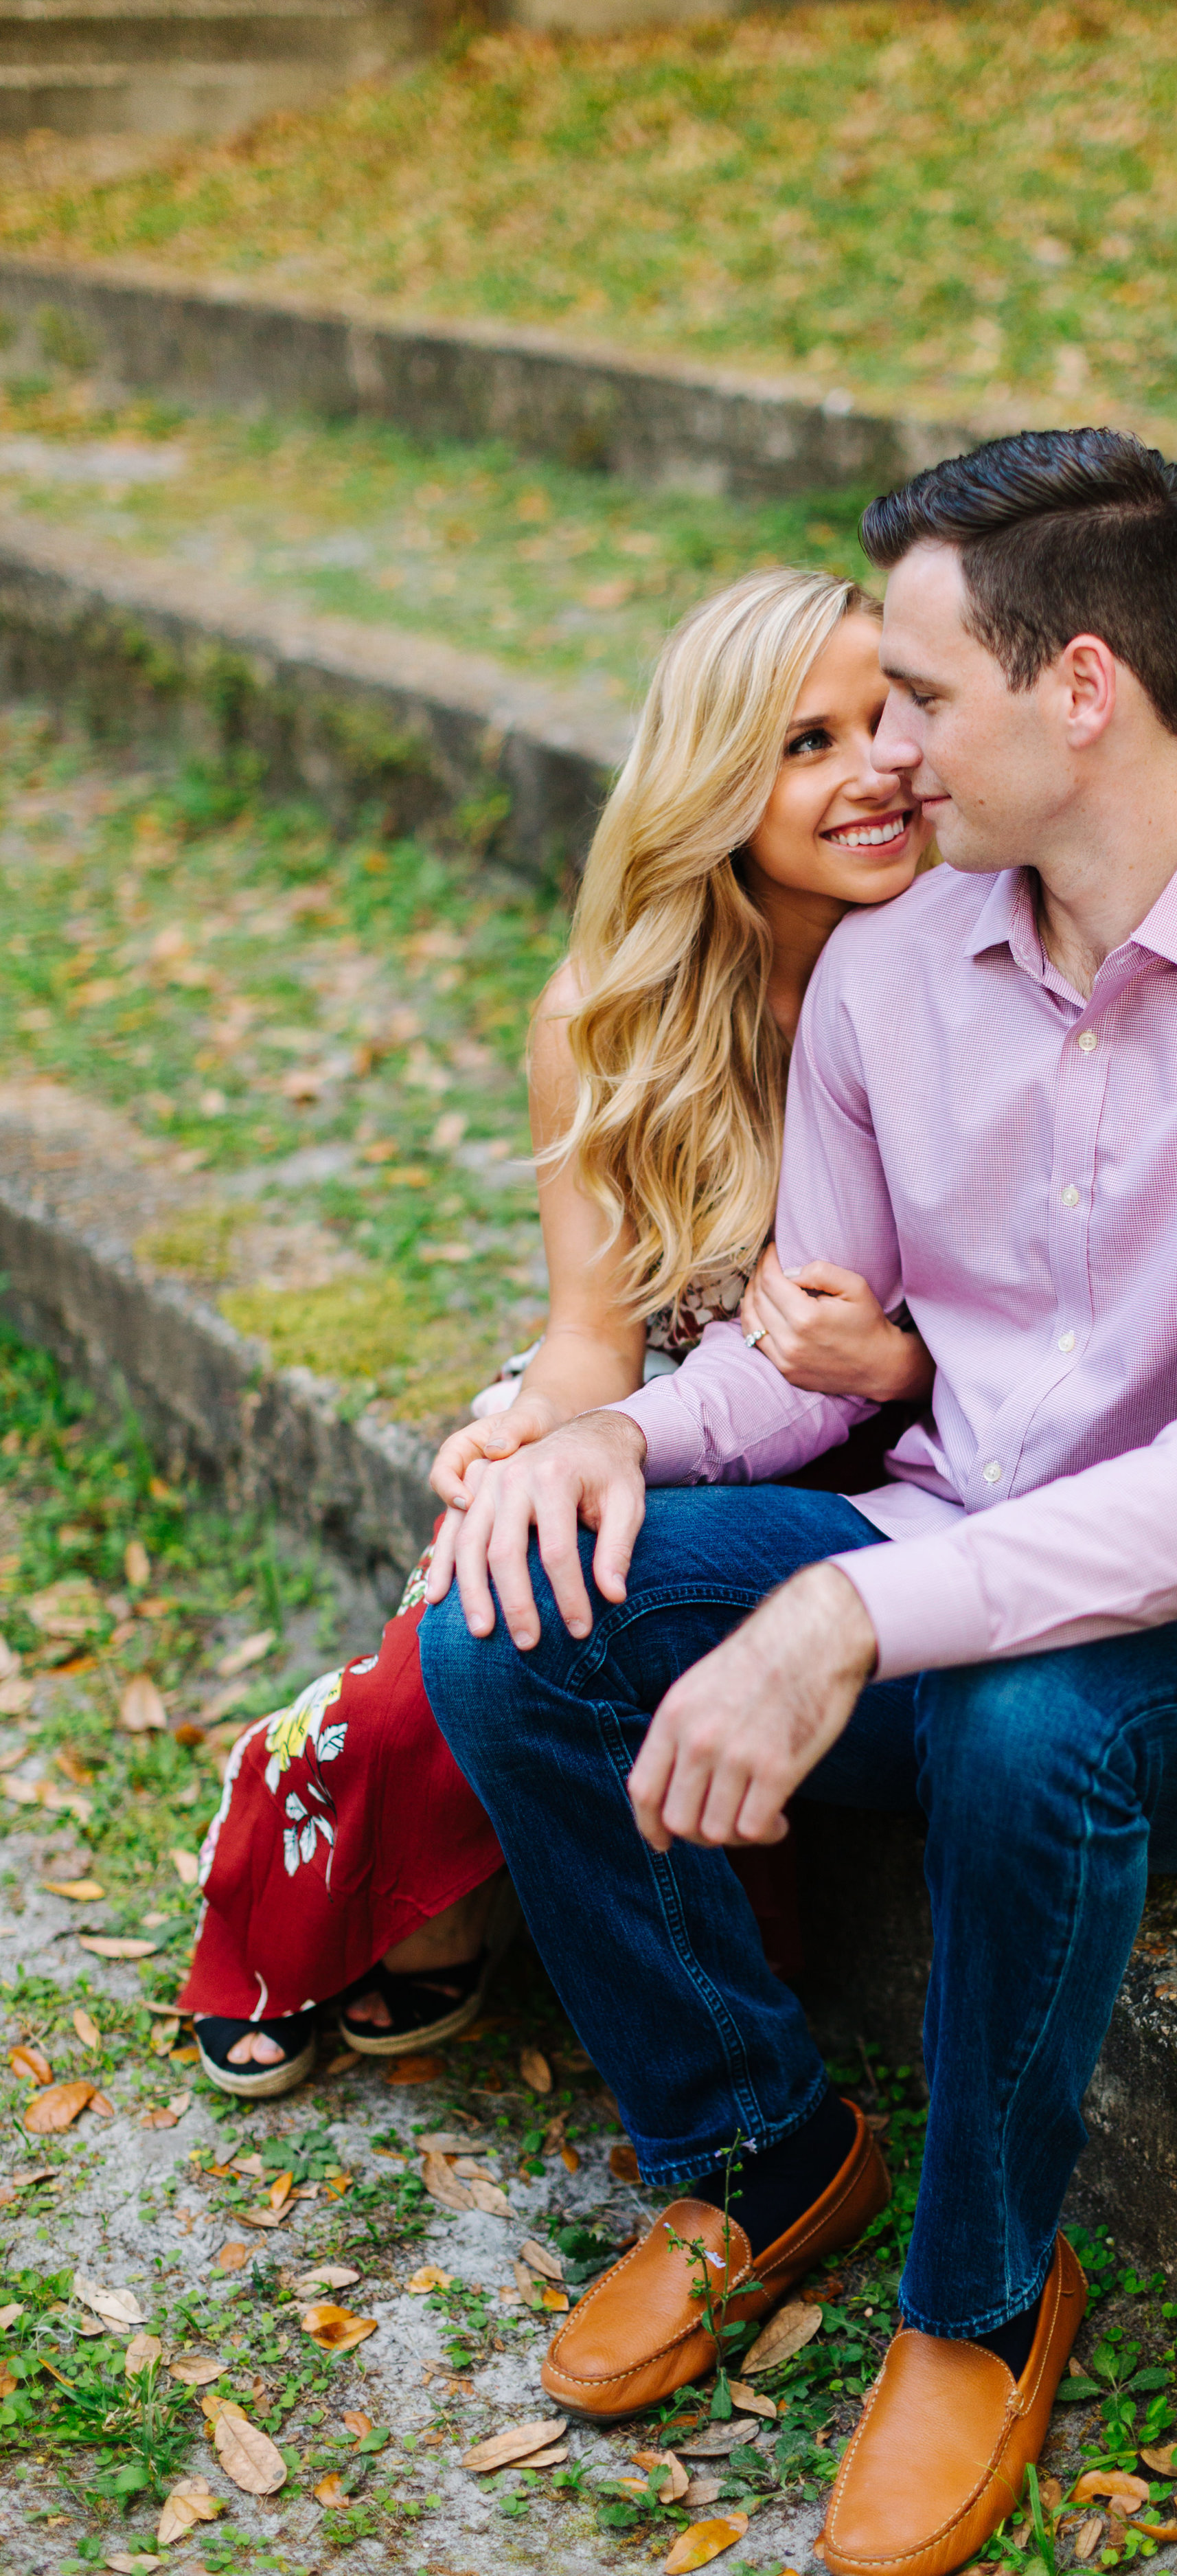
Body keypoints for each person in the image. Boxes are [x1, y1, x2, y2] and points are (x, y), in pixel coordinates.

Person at [418, 426, 1177, 2576]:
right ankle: (757, 2139)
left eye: (914, 691)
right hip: (922, 1551)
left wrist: (847, 1620)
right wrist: (607, 1434)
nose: (886, 749)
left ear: (1075, 689)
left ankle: (984, 2294)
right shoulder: (902, 969)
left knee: (1034, 1708)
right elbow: (796, 1359)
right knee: (511, 1612)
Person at [179, 566, 936, 2097]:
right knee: (502, 1582)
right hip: (673, 1411)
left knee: (574, 1598)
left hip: (912, 1441)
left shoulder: (973, 963)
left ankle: (466, 1881)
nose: (873, 771)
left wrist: (904, 1365)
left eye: (889, 720)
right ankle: (365, 1852)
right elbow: (596, 1327)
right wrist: (536, 1433)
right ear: (720, 777)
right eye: (806, 743)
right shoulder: (610, 1012)